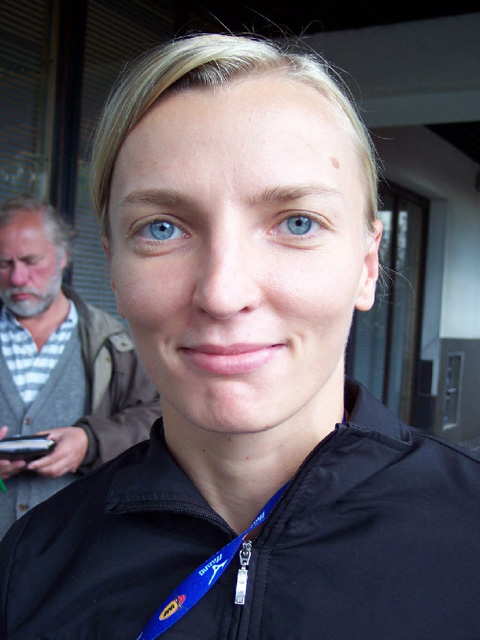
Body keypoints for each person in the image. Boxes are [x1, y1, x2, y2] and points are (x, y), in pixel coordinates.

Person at [1, 33, 480, 640]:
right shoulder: (29, 569)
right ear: (114, 271)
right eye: (162, 228)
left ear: (366, 266)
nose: (223, 294)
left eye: (297, 223)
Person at [0, 195, 161, 539]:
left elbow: (158, 417)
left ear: (62, 256)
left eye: (31, 261)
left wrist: (91, 441)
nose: (18, 277)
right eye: (3, 264)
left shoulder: (114, 343)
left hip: (77, 548)